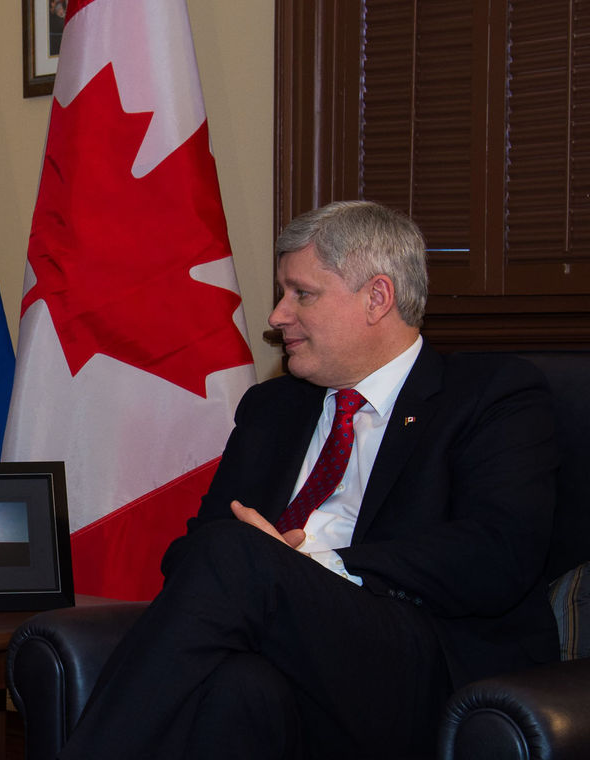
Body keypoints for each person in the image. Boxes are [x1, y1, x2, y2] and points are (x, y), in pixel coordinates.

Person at [58, 201, 560, 759]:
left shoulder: (492, 395)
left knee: (239, 553)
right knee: (235, 687)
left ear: (377, 297)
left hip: (423, 658)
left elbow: (499, 554)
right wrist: (265, 571)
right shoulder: (273, 408)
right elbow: (192, 555)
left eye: (303, 293)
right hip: (290, 653)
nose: (276, 315)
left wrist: (317, 566)